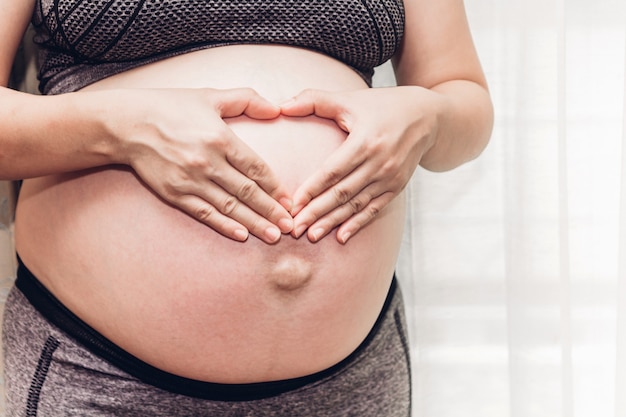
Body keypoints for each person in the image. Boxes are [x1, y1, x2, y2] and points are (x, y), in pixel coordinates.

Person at [0, 0, 493, 415]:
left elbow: (463, 98)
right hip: (99, 375)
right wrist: (121, 127)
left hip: (352, 381)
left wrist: (429, 116)